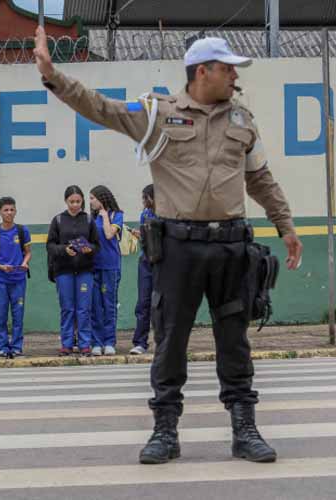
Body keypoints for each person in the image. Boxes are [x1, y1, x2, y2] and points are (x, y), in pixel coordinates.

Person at [35, 30, 303, 464]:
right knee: (170, 340)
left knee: (234, 341)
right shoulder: (159, 113)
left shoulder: (242, 121)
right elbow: (102, 108)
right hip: (178, 250)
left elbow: (261, 179)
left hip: (232, 247)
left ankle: (245, 428)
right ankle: (165, 431)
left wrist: (285, 225)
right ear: (203, 72)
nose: (235, 76)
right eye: (227, 68)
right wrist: (53, 77)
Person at [47, 185, 99, 356]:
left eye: (78, 201)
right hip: (64, 271)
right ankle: (66, 344)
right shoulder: (58, 220)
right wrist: (64, 250)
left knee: (84, 309)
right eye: (71, 201)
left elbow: (97, 245)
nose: (75, 205)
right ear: (65, 201)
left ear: (82, 201)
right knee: (67, 308)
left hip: (85, 270)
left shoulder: (89, 220)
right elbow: (50, 245)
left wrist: (89, 249)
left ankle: (85, 344)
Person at [0, 197, 31, 358]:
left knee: (18, 314)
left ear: (16, 211)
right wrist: (1, 267)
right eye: (6, 210)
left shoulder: (22, 230)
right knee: (0, 314)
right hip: (0, 280)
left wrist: (25, 263)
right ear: (0, 212)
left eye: (12, 209)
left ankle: (17, 347)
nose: (9, 212)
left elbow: (28, 252)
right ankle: (2, 347)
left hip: (19, 279)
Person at [89, 185, 124, 356]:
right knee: (95, 305)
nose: (90, 202)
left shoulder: (116, 215)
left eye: (92, 198)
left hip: (110, 266)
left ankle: (109, 341)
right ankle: (96, 342)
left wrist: (104, 217)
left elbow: (110, 235)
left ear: (101, 199)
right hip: (94, 265)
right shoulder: (91, 218)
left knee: (109, 304)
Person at [131, 184, 156, 355]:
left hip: (164, 263)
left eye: (145, 198)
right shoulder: (144, 215)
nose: (143, 201)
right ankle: (140, 342)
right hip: (146, 262)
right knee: (143, 303)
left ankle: (165, 342)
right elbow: (146, 240)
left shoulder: (168, 215)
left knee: (164, 304)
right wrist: (140, 235)